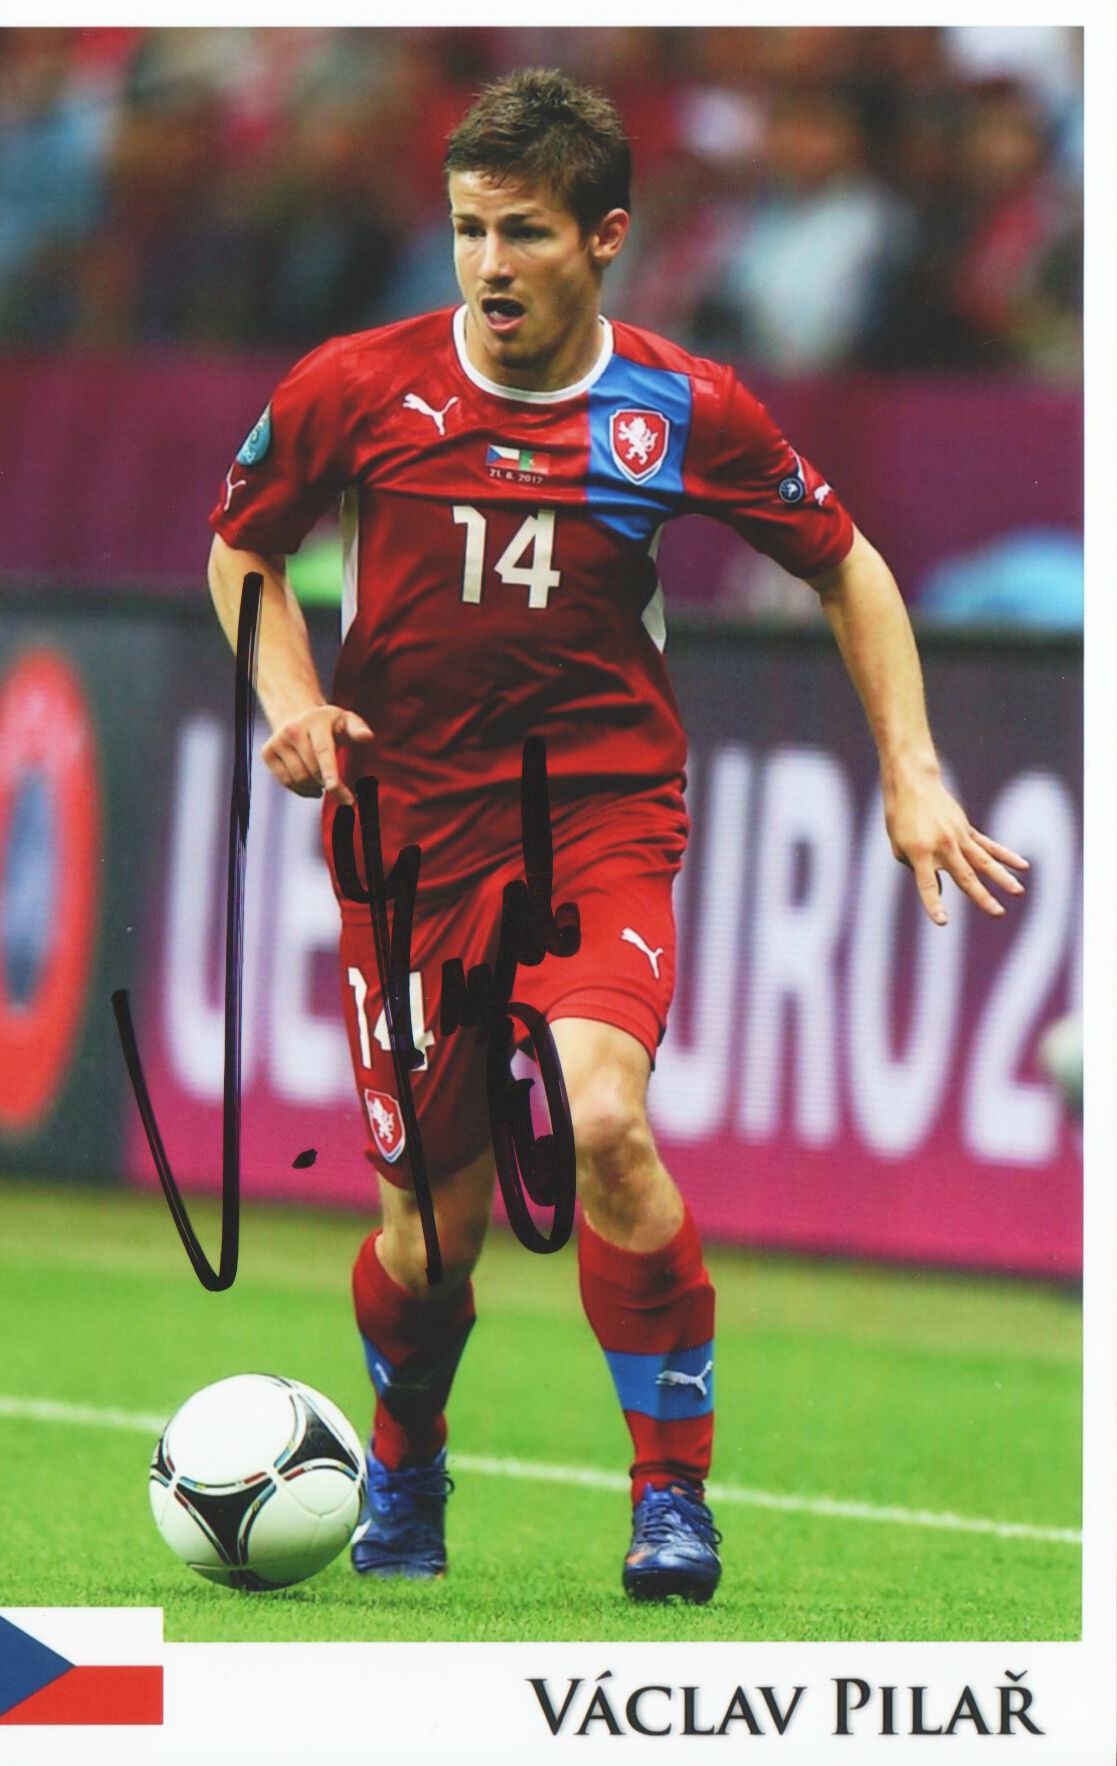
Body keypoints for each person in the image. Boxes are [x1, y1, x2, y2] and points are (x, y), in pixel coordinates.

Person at [206, 67, 1028, 1604]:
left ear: (605, 236)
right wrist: (295, 696)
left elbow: (845, 564)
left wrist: (910, 768)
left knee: (602, 1121)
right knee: (430, 1232)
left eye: (522, 231)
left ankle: (670, 1499)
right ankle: (407, 1454)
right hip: (406, 839)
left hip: (596, 818)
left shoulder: (680, 407)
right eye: (468, 229)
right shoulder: (356, 385)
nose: (488, 263)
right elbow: (241, 547)